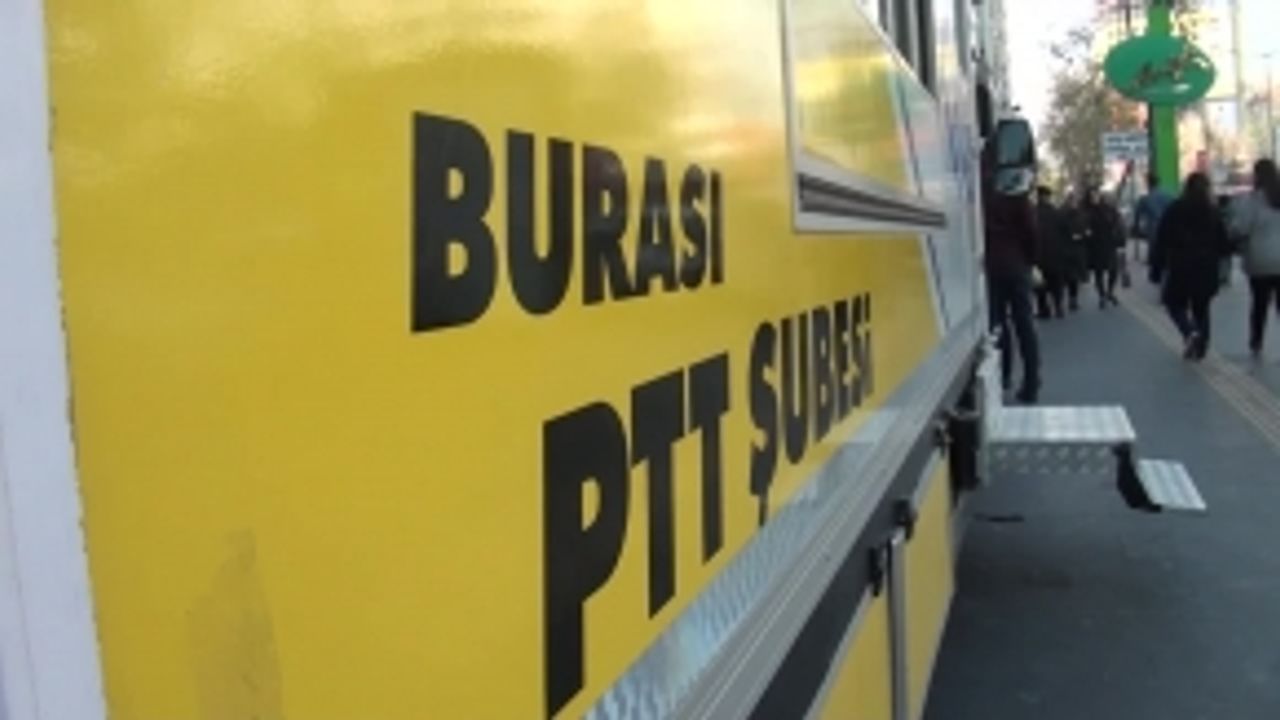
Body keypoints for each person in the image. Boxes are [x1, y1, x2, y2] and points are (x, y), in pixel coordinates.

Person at [1151, 172, 1232, 361]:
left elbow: (1162, 238)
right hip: (1206, 267)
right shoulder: (1212, 212)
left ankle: (1189, 332)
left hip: (1181, 265)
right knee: (1201, 307)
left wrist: (1157, 266)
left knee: (1173, 303)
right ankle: (1201, 346)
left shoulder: (1175, 209)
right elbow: (1223, 244)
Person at [983, 166, 1041, 404]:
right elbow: (1032, 237)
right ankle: (1031, 382)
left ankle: (1002, 376)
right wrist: (1031, 263)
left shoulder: (987, 202)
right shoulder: (1022, 203)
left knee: (998, 325)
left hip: (993, 269)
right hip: (1017, 269)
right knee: (1024, 326)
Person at [1229, 158, 1280, 357]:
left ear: (1257, 175)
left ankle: (1256, 342)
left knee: (1259, 303)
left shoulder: (1252, 200)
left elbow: (1241, 228)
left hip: (1260, 260)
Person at [1082, 188, 1124, 308]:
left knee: (1112, 270)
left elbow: (1118, 224)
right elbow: (1085, 227)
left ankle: (1109, 292)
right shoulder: (1088, 211)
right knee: (1099, 272)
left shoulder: (1108, 209)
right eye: (1092, 196)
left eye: (1096, 195)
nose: (1094, 198)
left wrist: (1120, 240)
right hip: (1097, 246)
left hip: (1108, 244)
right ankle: (1103, 295)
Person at [1033, 186, 1068, 318]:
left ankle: (1044, 310)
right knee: (1057, 283)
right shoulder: (1056, 213)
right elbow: (1065, 232)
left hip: (1039, 255)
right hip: (1055, 254)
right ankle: (1058, 307)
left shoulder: (1034, 212)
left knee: (1040, 284)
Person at [1132, 172, 1173, 261]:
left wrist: (1136, 227)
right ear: (1158, 183)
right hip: (1166, 227)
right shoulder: (1168, 197)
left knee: (1154, 252)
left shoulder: (1145, 199)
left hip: (1153, 228)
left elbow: (1137, 215)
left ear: (1148, 184)